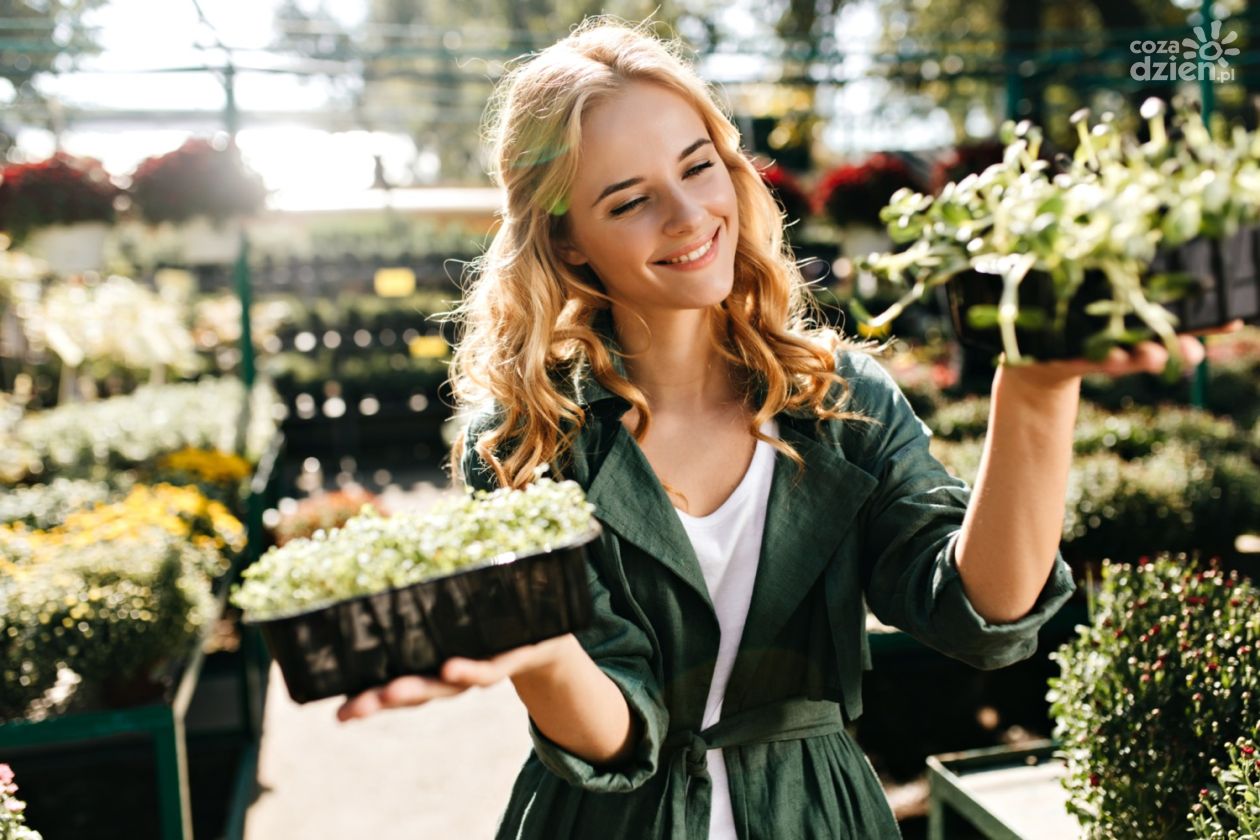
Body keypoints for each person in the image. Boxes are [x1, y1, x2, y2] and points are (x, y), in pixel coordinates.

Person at [336, 18, 1220, 839]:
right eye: (628, 200)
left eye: (698, 166)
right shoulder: (528, 436)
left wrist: (1031, 387)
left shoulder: (841, 402)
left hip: (816, 813)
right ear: (567, 242)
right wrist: (540, 652)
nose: (688, 217)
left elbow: (979, 615)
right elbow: (617, 737)